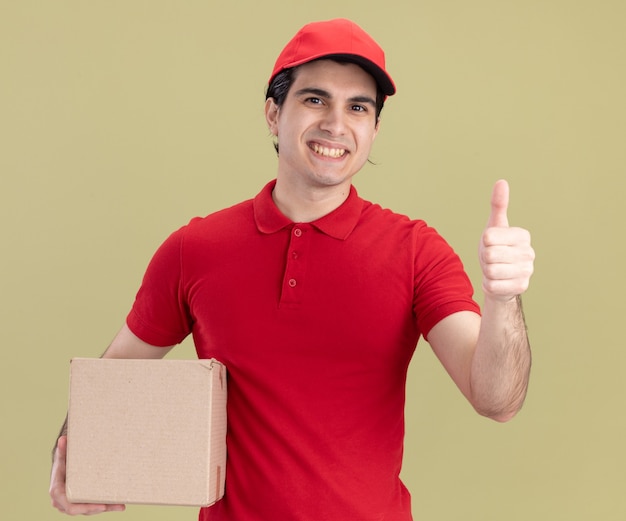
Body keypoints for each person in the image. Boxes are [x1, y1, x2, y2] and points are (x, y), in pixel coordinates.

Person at [49, 18, 534, 520]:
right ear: (273, 113)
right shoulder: (195, 248)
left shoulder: (415, 251)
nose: (336, 124)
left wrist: (504, 300)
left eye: (358, 108)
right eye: (315, 100)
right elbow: (115, 374)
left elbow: (496, 400)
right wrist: (70, 458)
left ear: (374, 130)